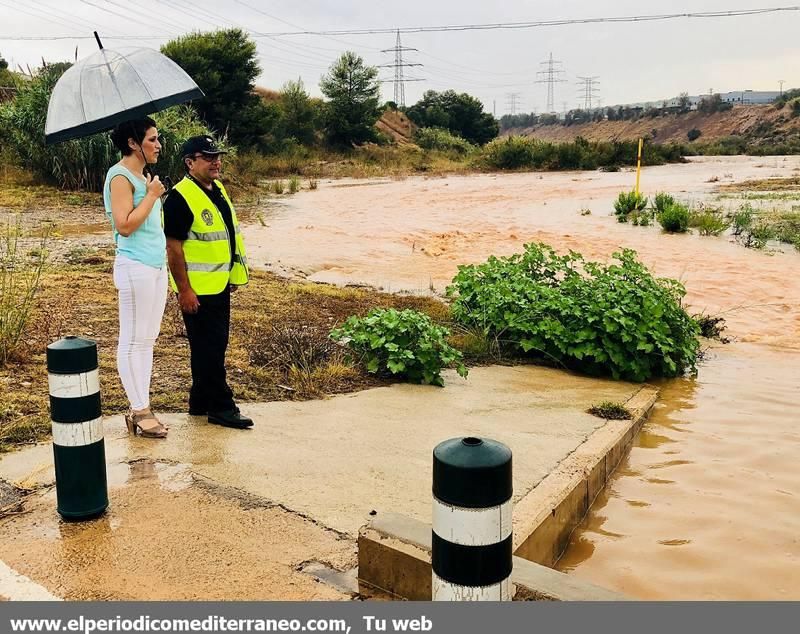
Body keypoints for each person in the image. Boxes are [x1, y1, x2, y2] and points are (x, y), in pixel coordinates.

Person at [163, 135, 253, 429]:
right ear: (190, 162)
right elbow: (173, 248)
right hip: (197, 290)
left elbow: (227, 236)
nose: (216, 161)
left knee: (212, 346)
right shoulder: (179, 198)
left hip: (219, 284)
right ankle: (221, 407)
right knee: (210, 349)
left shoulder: (218, 190)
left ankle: (200, 401)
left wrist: (231, 275)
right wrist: (184, 290)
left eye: (218, 156)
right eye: (208, 157)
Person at [104, 117, 168, 439]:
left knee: (148, 338)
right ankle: (139, 409)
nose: (158, 145)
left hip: (157, 267)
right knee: (131, 339)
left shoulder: (145, 178)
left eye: (158, 139)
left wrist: (151, 190)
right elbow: (125, 225)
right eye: (152, 139)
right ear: (133, 143)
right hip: (134, 267)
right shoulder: (119, 177)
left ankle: (142, 405)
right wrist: (152, 195)